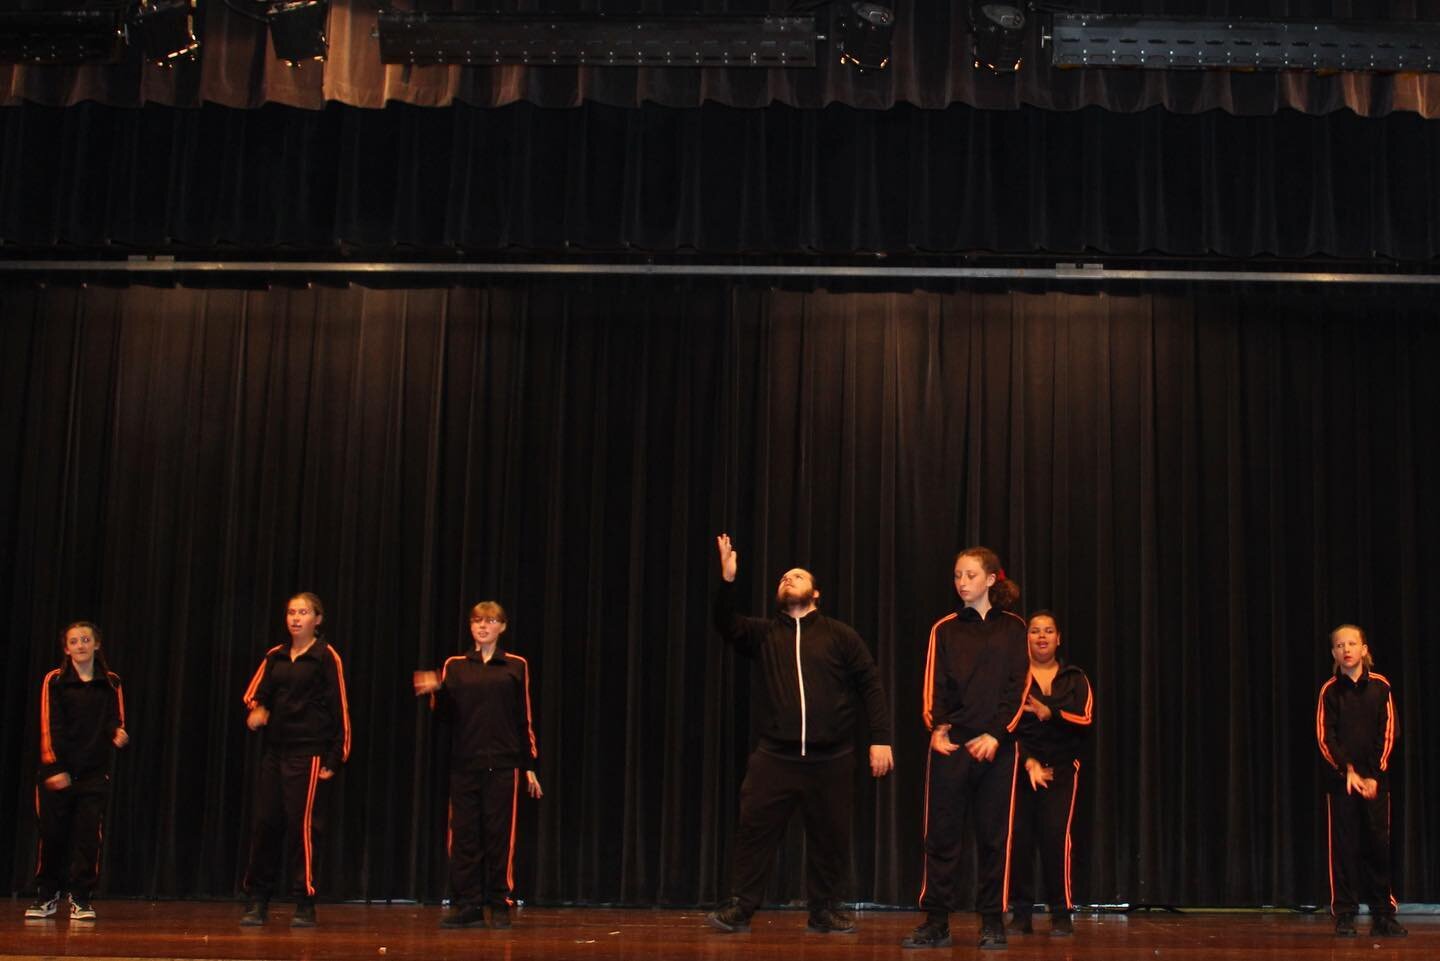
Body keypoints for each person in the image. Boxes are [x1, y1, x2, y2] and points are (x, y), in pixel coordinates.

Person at [706, 533, 894, 935]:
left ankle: (824, 910)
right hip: (776, 757)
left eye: (797, 575)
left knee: (830, 837)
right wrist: (727, 580)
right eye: (783, 578)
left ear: (816, 593)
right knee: (754, 830)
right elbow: (725, 623)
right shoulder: (764, 634)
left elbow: (870, 684)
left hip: (831, 758)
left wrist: (881, 737)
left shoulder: (840, 635)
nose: (788, 579)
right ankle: (741, 906)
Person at [903, 547, 1028, 951]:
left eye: (970, 575)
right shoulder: (945, 628)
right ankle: (936, 920)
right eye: (957, 574)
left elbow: (1019, 686)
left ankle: (992, 920)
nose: (961, 582)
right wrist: (937, 728)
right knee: (941, 836)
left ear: (991, 579)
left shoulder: (1013, 628)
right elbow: (932, 684)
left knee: (994, 838)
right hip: (952, 745)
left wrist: (997, 734)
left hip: (996, 747)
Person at [414, 601, 542, 929]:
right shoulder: (455, 666)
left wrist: (528, 764)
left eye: (490, 621)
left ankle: (499, 903)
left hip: (502, 764)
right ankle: (467, 904)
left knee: (499, 835)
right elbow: (444, 716)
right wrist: (436, 692)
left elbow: (523, 717)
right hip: (465, 763)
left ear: (502, 626)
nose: (482, 626)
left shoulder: (515, 666)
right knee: (465, 837)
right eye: (476, 621)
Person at [239, 592, 351, 927]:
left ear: (318, 619)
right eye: (291, 612)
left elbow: (340, 709)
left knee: (302, 828)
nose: (296, 618)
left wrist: (336, 756)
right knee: (265, 823)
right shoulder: (275, 656)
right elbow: (254, 693)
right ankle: (257, 898)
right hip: (276, 752)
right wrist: (258, 709)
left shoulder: (326, 656)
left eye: (303, 612)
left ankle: (304, 900)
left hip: (310, 752)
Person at [25, 622, 128, 921]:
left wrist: (117, 732)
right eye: (74, 641)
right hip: (57, 773)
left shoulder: (110, 682)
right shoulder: (55, 681)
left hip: (93, 774)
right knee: (53, 835)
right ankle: (47, 894)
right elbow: (49, 725)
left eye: (86, 639)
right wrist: (55, 768)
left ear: (97, 644)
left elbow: (115, 718)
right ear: (66, 648)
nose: (80, 645)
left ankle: (81, 897)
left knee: (87, 838)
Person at [1316, 624, 1405, 938]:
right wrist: (1348, 771)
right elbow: (1326, 738)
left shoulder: (1381, 687)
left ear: (1364, 649)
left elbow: (1389, 732)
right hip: (1343, 783)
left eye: (1352, 643)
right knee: (1344, 848)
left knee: (1378, 846)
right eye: (1340, 645)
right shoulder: (1330, 690)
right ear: (1334, 653)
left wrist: (1374, 775)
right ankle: (1345, 914)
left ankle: (1383, 914)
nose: (1346, 650)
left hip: (1375, 783)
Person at [1007, 611, 1092, 938]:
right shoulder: (1015, 678)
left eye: (1048, 631)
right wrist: (1028, 762)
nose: (1041, 636)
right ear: (1025, 639)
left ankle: (1061, 915)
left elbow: (1085, 720)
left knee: (1055, 840)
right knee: (1021, 843)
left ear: (1058, 638)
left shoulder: (1074, 677)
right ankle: (1021, 916)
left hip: (1060, 771)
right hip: (1021, 770)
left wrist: (1050, 712)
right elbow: (1006, 726)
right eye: (1034, 631)